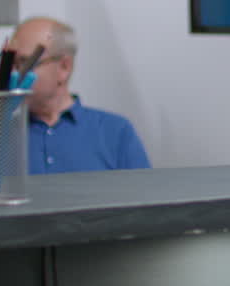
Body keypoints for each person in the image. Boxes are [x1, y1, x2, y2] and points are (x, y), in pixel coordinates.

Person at [8, 17, 151, 174]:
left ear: (64, 67)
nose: (14, 73)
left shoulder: (115, 132)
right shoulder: (0, 136)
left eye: (25, 63)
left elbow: (146, 196)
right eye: (10, 63)